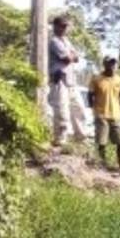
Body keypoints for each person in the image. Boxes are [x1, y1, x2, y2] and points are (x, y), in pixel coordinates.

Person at [47, 16, 85, 146]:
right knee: (62, 110)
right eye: (62, 26)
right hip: (59, 79)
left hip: (71, 80)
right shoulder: (54, 41)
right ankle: (60, 139)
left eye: (66, 26)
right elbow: (67, 59)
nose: (64, 28)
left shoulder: (67, 41)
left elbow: (77, 57)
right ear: (55, 26)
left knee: (78, 109)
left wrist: (72, 56)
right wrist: (72, 56)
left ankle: (80, 138)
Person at [88, 56, 120, 174]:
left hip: (116, 115)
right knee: (101, 142)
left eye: (114, 64)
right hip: (101, 114)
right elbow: (90, 95)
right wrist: (94, 110)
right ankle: (102, 165)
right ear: (104, 64)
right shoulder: (96, 79)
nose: (112, 66)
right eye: (110, 63)